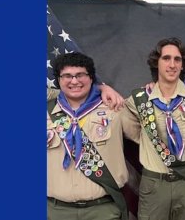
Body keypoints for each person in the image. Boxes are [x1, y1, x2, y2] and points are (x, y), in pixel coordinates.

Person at [123, 37, 185, 220]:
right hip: (154, 184)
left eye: (177, 59)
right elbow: (128, 126)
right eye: (166, 58)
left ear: (183, 65)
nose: (172, 64)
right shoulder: (140, 99)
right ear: (156, 63)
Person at [47, 52, 139, 220]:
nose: (74, 81)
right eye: (67, 76)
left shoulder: (115, 109)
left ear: (91, 78)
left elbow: (147, 134)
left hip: (102, 210)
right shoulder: (45, 113)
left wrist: (103, 88)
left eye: (80, 75)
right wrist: (102, 88)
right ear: (59, 80)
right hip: (56, 211)